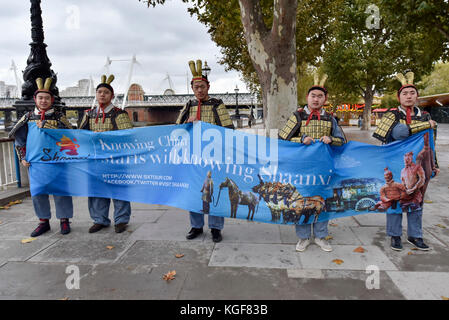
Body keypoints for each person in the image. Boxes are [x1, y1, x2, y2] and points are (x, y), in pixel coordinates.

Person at [279, 73, 346, 252]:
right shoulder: (298, 116)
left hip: (324, 168)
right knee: (302, 201)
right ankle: (303, 237)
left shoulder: (331, 118)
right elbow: (282, 139)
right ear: (307, 97)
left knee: (322, 201)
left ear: (325, 99)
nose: (316, 99)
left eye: (320, 96)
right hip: (301, 168)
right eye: (313, 96)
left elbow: (342, 141)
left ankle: (321, 236)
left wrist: (331, 139)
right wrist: (301, 140)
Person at [373, 71, 439, 251]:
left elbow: (432, 141)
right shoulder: (391, 114)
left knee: (417, 199)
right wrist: (427, 125)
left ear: (417, 96)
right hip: (395, 163)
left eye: (412, 93)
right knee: (395, 199)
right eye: (405, 93)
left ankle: (415, 235)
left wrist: (435, 164)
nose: (408, 97)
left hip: (420, 164)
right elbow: (400, 133)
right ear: (399, 97)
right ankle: (395, 235)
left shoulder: (425, 114)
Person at [176, 59, 234, 242]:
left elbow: (229, 129)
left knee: (214, 190)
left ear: (208, 86)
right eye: (196, 87)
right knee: (194, 190)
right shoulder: (188, 105)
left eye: (202, 86)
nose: (199, 90)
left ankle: (216, 227)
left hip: (214, 155)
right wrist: (187, 122)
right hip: (192, 155)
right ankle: (196, 225)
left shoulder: (217, 104)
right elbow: (176, 129)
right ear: (192, 89)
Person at [8, 77, 74, 237]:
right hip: (36, 163)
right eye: (40, 98)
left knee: (62, 191)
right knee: (38, 192)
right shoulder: (28, 117)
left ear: (52, 99)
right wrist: (22, 157)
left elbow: (71, 136)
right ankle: (43, 221)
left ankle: (64, 220)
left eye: (47, 98)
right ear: (35, 99)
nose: (44, 101)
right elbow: (19, 140)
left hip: (58, 161)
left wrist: (48, 127)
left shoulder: (59, 118)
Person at [79, 75, 134, 234]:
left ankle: (121, 220)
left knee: (118, 190)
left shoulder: (119, 114)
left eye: (106, 92)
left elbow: (127, 135)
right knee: (96, 190)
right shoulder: (89, 114)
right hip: (95, 159)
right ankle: (99, 219)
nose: (102, 95)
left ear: (112, 96)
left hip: (115, 160)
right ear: (96, 95)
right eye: (99, 92)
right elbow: (80, 135)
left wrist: (105, 136)